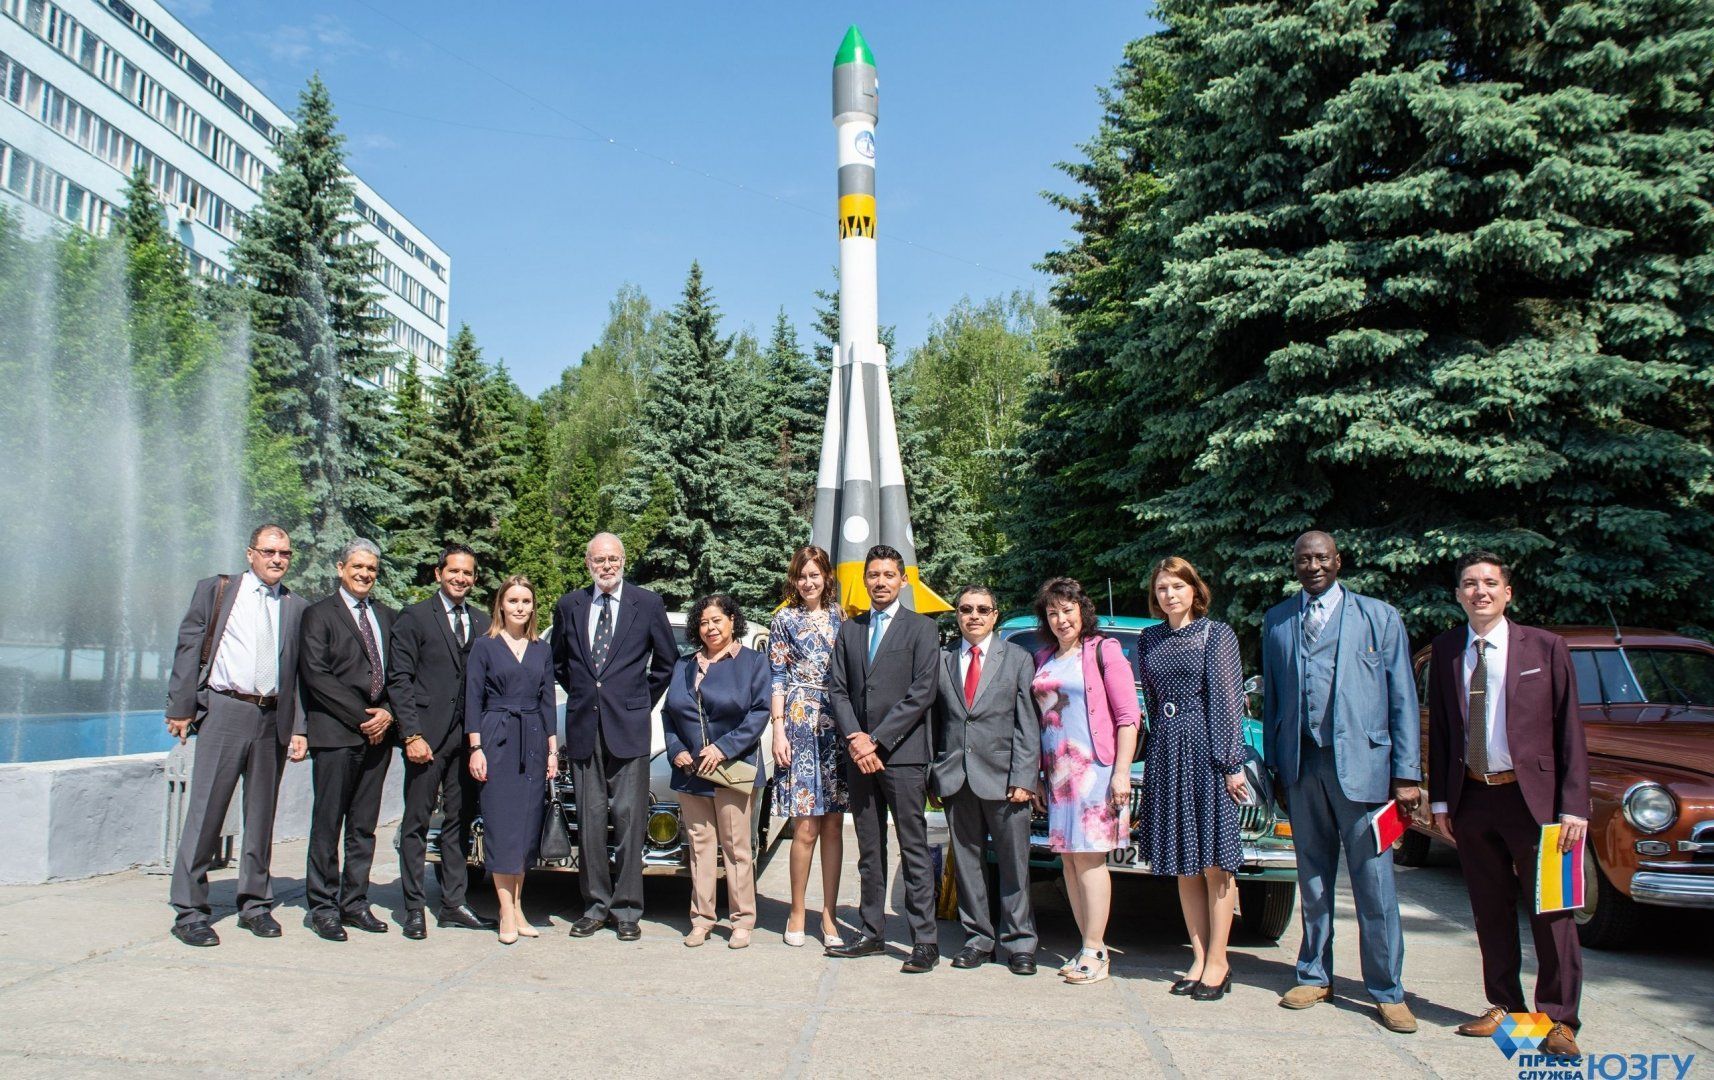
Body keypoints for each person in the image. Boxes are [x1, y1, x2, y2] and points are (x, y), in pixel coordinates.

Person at [1427, 552, 1587, 1057]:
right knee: (1489, 909)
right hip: (1473, 797)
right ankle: (1507, 1007)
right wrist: (1440, 801)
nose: (1480, 592)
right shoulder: (1448, 649)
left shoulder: (1544, 647)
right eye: (1470, 584)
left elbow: (1570, 732)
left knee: (1552, 911)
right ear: (1458, 594)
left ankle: (1558, 1019)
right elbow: (1445, 733)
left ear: (1507, 593)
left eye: (1490, 584)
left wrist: (1574, 807)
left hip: (1534, 803)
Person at [1261, 531, 1421, 1032]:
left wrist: (1407, 774)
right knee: (1311, 877)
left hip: (1367, 773)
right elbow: (1273, 703)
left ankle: (1386, 990)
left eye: (1321, 558)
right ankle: (1313, 973)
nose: (1313, 566)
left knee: (1375, 884)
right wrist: (1274, 768)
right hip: (1302, 767)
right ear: (1294, 564)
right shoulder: (1279, 620)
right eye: (1304, 559)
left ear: (1338, 561)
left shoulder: (1379, 616)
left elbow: (1403, 698)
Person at [164, 525, 309, 946]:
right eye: (269, 551)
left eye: (284, 552)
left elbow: (299, 673)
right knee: (207, 811)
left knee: (261, 817)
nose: (277, 559)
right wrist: (180, 706)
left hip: (272, 718)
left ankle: (255, 904)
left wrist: (299, 727)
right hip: (226, 709)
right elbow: (189, 646)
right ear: (251, 554)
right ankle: (190, 910)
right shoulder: (218, 591)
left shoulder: (295, 606)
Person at [549, 532, 677, 941]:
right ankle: (594, 906)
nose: (606, 566)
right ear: (587, 563)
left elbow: (666, 662)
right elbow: (559, 664)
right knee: (589, 824)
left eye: (613, 559)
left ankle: (627, 910)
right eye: (599, 559)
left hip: (629, 729)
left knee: (628, 821)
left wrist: (639, 700)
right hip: (585, 731)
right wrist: (586, 696)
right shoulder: (570, 605)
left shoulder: (647, 604)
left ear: (624, 561)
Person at [825, 544, 941, 973]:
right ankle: (872, 932)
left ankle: (924, 941)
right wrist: (857, 738)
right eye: (873, 575)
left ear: (903, 580)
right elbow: (837, 689)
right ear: (865, 580)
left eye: (888, 575)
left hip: (903, 757)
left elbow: (922, 692)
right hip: (860, 757)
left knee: (913, 848)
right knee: (869, 849)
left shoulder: (922, 629)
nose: (880, 582)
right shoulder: (850, 630)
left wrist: (878, 740)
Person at [1136, 557, 1246, 1000]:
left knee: (1215, 861)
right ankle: (1198, 957)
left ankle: (1220, 961)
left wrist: (1231, 762)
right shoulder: (1149, 638)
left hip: (1207, 750)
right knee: (1184, 861)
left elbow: (1226, 699)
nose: (1169, 594)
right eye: (1162, 588)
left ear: (1194, 590)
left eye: (1177, 586)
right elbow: (1152, 699)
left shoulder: (1214, 634)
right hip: (1167, 750)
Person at [386, 542, 498, 939]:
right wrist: (411, 734)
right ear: (439, 574)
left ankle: (454, 903)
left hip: (466, 741)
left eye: (468, 573)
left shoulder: (484, 621)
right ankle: (414, 907)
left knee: (460, 824)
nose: (461, 579)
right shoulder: (414, 618)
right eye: (454, 571)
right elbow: (399, 680)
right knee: (416, 823)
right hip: (426, 738)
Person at [1030, 577, 1139, 985]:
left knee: (1092, 860)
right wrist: (1039, 774)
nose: (1061, 619)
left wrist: (1122, 772)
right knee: (1071, 862)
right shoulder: (1045, 658)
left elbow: (1129, 716)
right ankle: (1086, 946)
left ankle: (1096, 950)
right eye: (1053, 612)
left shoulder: (1103, 651)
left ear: (1082, 610)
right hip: (1058, 775)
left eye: (1067, 610)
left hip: (1094, 771)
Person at [931, 585, 1041, 975]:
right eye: (965, 609)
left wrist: (1026, 777)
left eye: (982, 609)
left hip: (1007, 781)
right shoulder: (943, 661)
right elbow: (936, 722)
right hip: (957, 779)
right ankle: (978, 939)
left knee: (1014, 865)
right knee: (968, 864)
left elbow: (1028, 724)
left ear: (995, 615)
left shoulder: (1017, 659)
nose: (973, 615)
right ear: (957, 616)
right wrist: (935, 773)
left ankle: (1020, 943)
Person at [296, 538, 397, 942]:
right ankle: (322, 907)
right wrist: (362, 719)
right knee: (328, 823)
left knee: (363, 826)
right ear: (341, 568)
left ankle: (354, 902)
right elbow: (317, 675)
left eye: (371, 568)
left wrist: (387, 712)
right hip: (337, 735)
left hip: (378, 737)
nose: (364, 574)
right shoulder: (318, 615)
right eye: (357, 566)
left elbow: (400, 672)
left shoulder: (387, 617)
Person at [662, 594, 771, 948]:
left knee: (737, 847)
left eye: (717, 621)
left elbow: (759, 713)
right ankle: (702, 918)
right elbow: (669, 713)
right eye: (704, 622)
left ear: (732, 621)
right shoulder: (684, 665)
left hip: (731, 770)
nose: (710, 628)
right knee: (700, 847)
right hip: (691, 771)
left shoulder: (753, 662)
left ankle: (742, 920)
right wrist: (677, 749)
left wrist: (723, 747)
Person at [466, 575, 560, 944]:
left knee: (525, 828)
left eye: (526, 601)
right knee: (502, 826)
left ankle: (519, 906)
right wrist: (476, 748)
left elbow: (548, 702)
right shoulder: (484, 646)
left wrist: (552, 751)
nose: (520, 607)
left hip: (534, 740)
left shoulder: (541, 649)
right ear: (501, 605)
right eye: (513, 601)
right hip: (496, 737)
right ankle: (505, 908)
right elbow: (473, 699)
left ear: (533, 607)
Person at [767, 544, 848, 949]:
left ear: (826, 577)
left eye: (815, 574)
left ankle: (829, 916)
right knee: (805, 825)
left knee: (833, 824)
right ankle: (797, 910)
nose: (808, 581)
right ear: (794, 580)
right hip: (798, 722)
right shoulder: (784, 618)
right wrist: (778, 729)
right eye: (802, 575)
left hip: (837, 721)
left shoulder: (841, 616)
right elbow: (776, 677)